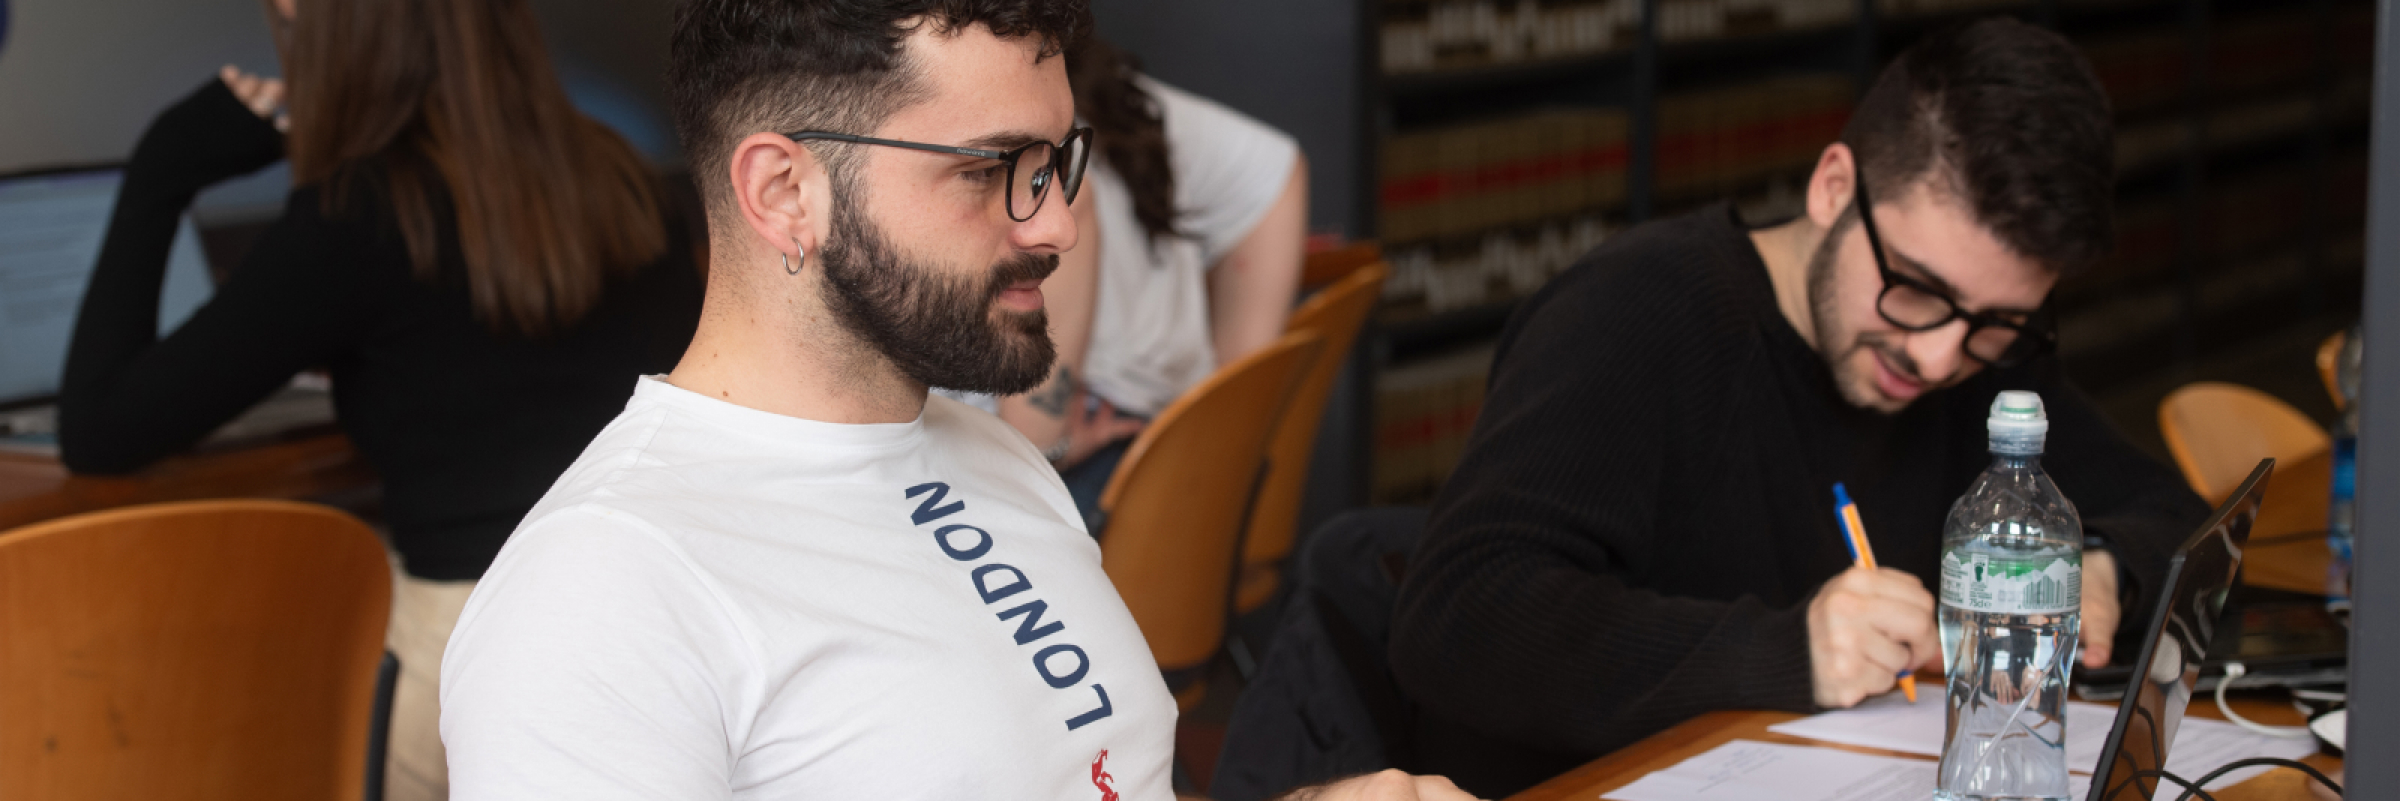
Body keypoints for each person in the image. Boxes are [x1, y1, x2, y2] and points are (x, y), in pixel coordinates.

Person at [437, 2, 1470, 799]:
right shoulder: (602, 599)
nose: (1059, 225)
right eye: (993, 170)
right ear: (785, 194)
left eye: (1059, 161)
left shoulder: (997, 455)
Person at [1384, 18, 2213, 797]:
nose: (1937, 357)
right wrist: (1787, 651)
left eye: (1999, 324)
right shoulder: (1637, 315)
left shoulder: (1977, 357)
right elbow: (1456, 616)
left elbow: (2175, 517)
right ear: (1832, 187)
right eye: (1916, 290)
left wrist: (2103, 569)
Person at [58, 2, 700, 799]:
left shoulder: (358, 214)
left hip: (468, 649)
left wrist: (159, 171)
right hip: (647, 622)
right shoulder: (624, 174)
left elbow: (98, 430)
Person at [960, 35, 1307, 525]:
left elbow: (1068, 207)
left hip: (1096, 460)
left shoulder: (999, 107)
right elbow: (1273, 164)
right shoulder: (1100, 88)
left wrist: (1047, 442)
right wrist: (1226, 417)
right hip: (1162, 460)